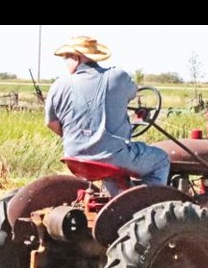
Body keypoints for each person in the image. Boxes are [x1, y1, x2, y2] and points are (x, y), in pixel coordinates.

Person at [45, 36, 170, 196]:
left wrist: (77, 136)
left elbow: (51, 122)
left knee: (112, 164)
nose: (65, 62)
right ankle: (148, 206)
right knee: (161, 159)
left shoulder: (58, 85)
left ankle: (121, 201)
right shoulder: (117, 76)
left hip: (74, 157)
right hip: (112, 157)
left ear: (77, 58)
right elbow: (133, 92)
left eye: (67, 58)